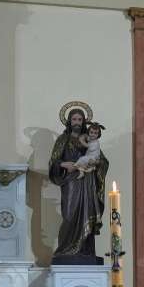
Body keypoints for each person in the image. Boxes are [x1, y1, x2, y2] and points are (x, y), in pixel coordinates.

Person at [49, 108, 109, 261]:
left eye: (80, 120)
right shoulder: (63, 139)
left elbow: (102, 160)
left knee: (87, 214)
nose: (77, 122)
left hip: (87, 182)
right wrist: (64, 164)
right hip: (71, 182)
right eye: (74, 119)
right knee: (69, 215)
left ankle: (85, 251)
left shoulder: (90, 140)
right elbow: (53, 161)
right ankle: (65, 250)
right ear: (69, 121)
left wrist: (97, 163)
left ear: (84, 122)